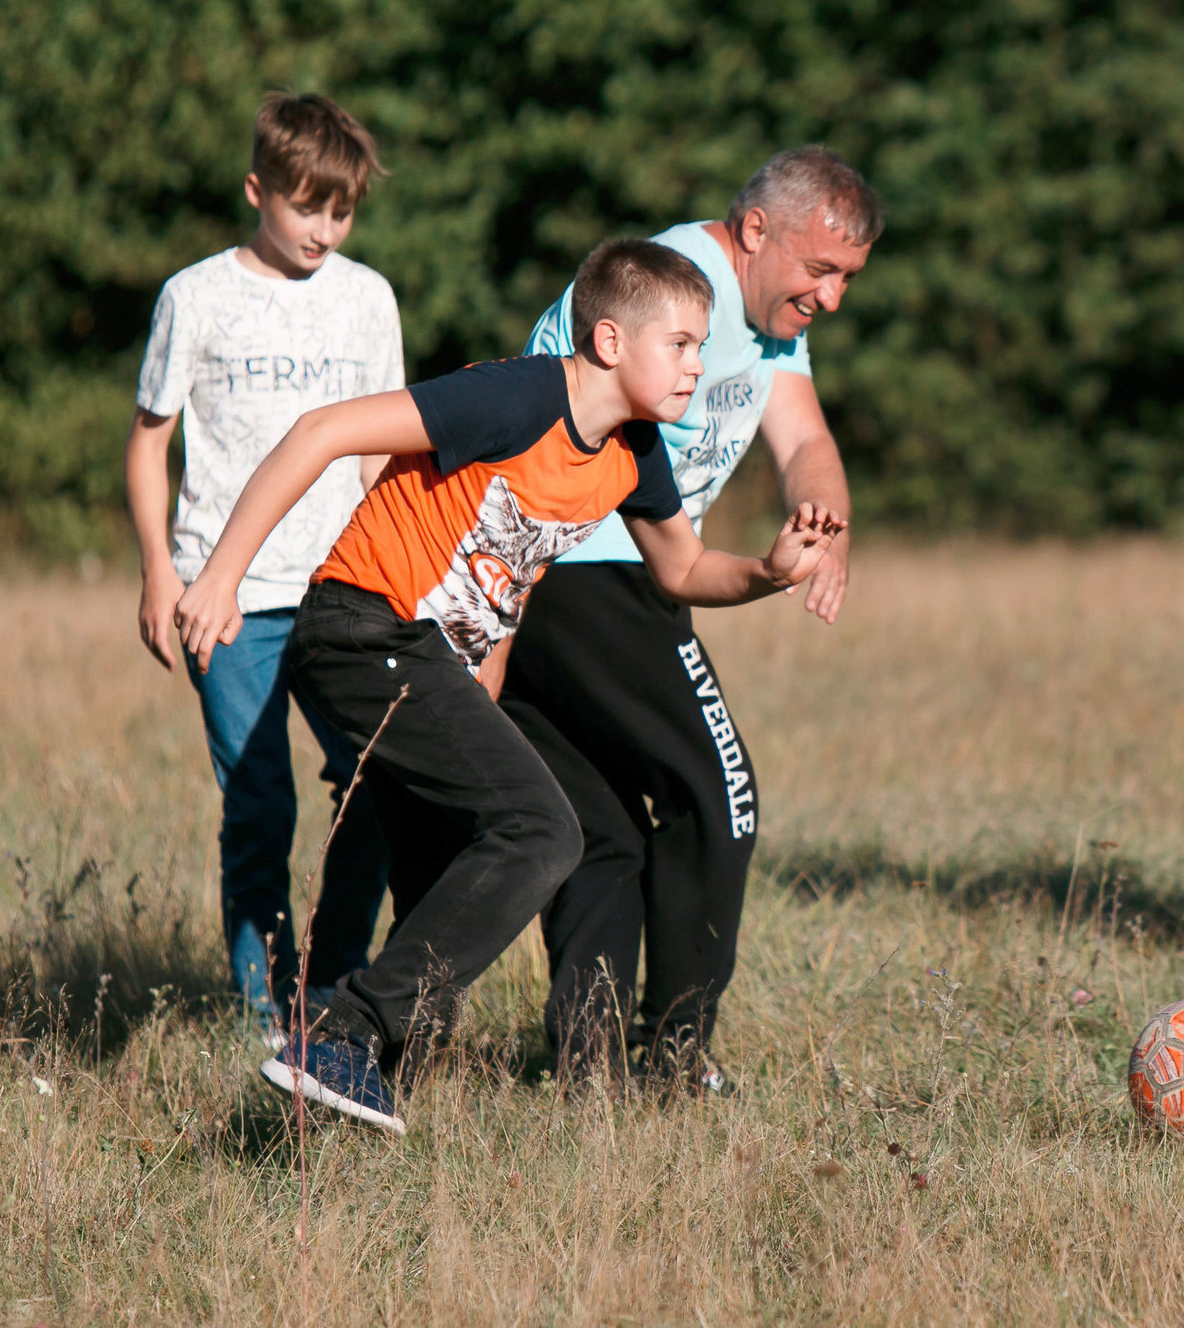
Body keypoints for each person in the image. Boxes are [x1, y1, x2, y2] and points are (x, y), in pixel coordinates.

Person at [172, 238, 843, 1133]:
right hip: (360, 628)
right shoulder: (519, 396)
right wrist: (222, 575)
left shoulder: (633, 451)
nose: (699, 364)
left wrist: (768, 567)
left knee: (445, 881)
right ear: (608, 341)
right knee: (543, 828)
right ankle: (342, 1030)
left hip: (422, 661)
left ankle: (341, 1109)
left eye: (703, 343)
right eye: (681, 343)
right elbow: (323, 431)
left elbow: (681, 570)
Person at [495, 146, 878, 1088]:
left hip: (570, 581)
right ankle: (676, 1055)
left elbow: (807, 440)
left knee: (606, 830)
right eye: (819, 271)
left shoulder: (771, 322)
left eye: (846, 280)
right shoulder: (671, 288)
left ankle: (588, 1070)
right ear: (755, 231)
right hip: (585, 567)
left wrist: (824, 523)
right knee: (723, 797)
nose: (829, 298)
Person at [125, 93, 399, 1032]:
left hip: (343, 589)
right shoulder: (194, 296)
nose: (323, 228)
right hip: (225, 594)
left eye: (342, 209)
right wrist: (163, 573)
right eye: (305, 205)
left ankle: (333, 982)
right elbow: (147, 442)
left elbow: (381, 451)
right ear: (257, 190)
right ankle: (263, 1010)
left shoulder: (368, 299)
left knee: (378, 773)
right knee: (258, 803)